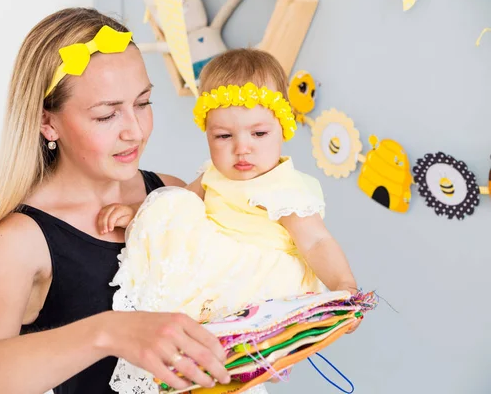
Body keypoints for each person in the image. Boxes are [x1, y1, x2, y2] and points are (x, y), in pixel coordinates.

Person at [0, 7, 232, 394]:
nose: (134, 131)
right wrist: (109, 332)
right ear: (47, 121)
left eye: (143, 103)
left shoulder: (170, 193)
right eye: (106, 116)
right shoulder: (20, 241)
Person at [99, 49, 361, 394]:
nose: (242, 149)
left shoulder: (284, 188)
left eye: (259, 134)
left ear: (282, 128)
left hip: (256, 283)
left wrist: (344, 286)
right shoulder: (212, 176)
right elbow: (176, 207)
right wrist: (139, 216)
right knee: (172, 202)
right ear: (207, 132)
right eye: (224, 136)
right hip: (208, 279)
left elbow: (316, 242)